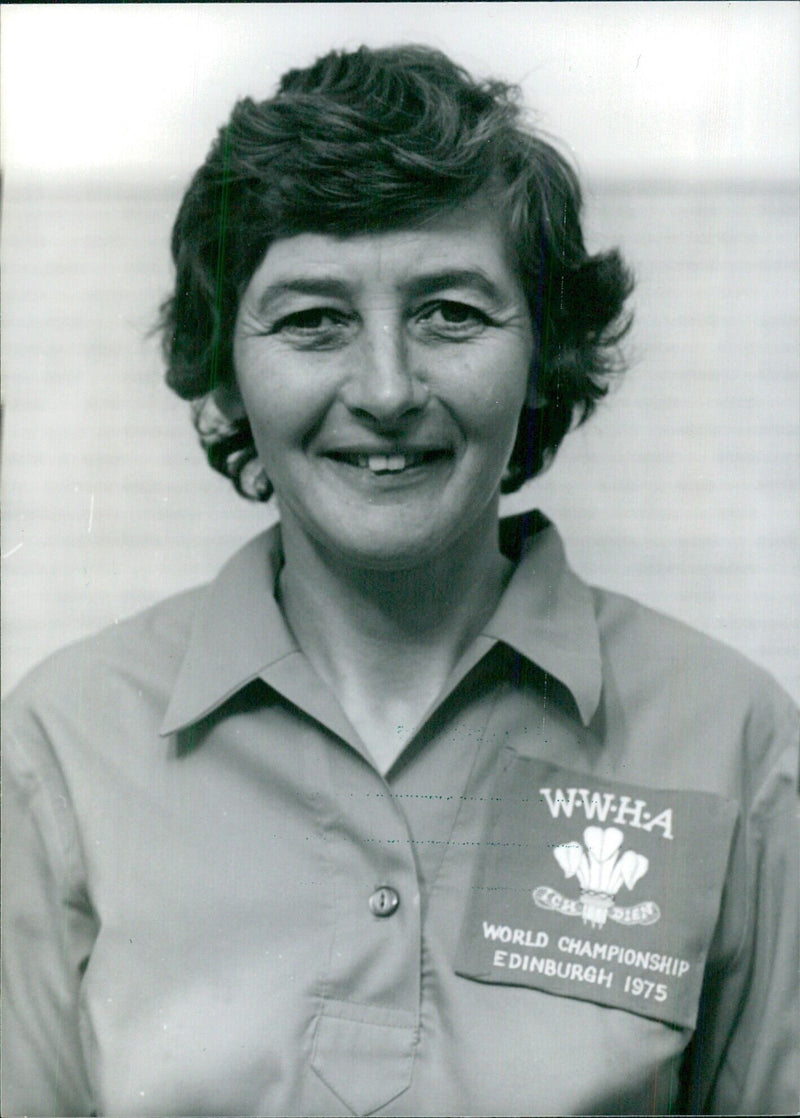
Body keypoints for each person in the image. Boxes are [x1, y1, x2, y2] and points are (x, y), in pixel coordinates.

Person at [2, 44, 797, 1118]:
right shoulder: (61, 745)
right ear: (226, 365)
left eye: (450, 313)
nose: (384, 389)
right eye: (310, 319)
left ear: (542, 355)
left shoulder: (730, 739)